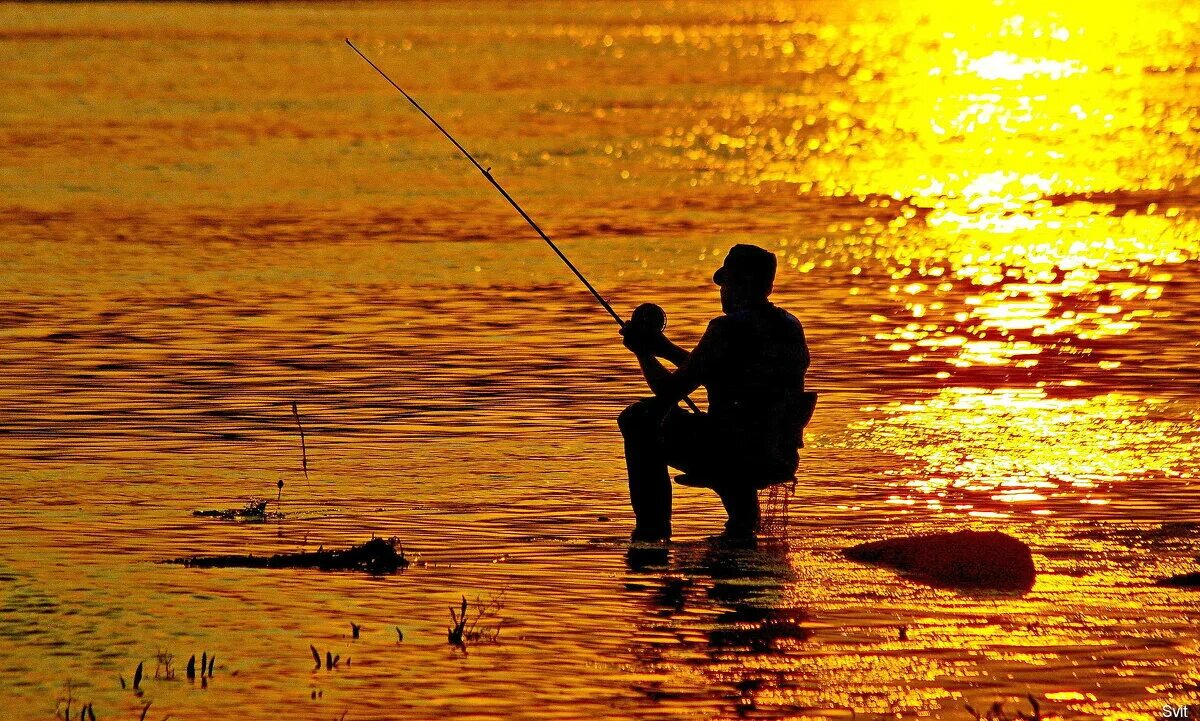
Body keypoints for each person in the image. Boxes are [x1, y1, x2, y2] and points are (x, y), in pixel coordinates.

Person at [618, 244, 810, 542]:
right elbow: (727, 375)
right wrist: (665, 349)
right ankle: (743, 524)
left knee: (640, 418)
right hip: (776, 452)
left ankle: (652, 532)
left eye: (727, 282)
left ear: (742, 283)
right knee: (737, 429)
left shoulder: (726, 329)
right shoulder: (788, 326)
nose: (723, 291)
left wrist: (643, 353)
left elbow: (668, 392)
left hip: (731, 450)